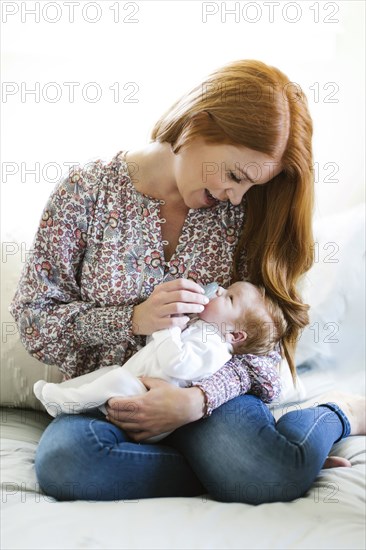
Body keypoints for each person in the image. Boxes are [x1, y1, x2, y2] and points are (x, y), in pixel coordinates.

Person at [10, 59, 365, 503]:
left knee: (267, 470)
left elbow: (264, 350)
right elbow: (34, 320)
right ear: (198, 125)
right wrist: (131, 319)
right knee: (68, 464)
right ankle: (252, 470)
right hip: (109, 398)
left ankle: (339, 413)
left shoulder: (244, 215)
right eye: (236, 175)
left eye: (249, 188)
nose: (237, 195)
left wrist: (197, 399)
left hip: (210, 405)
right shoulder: (85, 193)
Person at [32, 281, 286, 445]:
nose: (219, 290)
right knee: (110, 373)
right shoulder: (204, 329)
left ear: (235, 336)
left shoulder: (215, 349)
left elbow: (177, 363)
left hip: (151, 406)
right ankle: (65, 395)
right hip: (138, 385)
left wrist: (167, 327)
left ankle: (64, 404)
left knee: (115, 379)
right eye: (226, 289)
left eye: (229, 298)